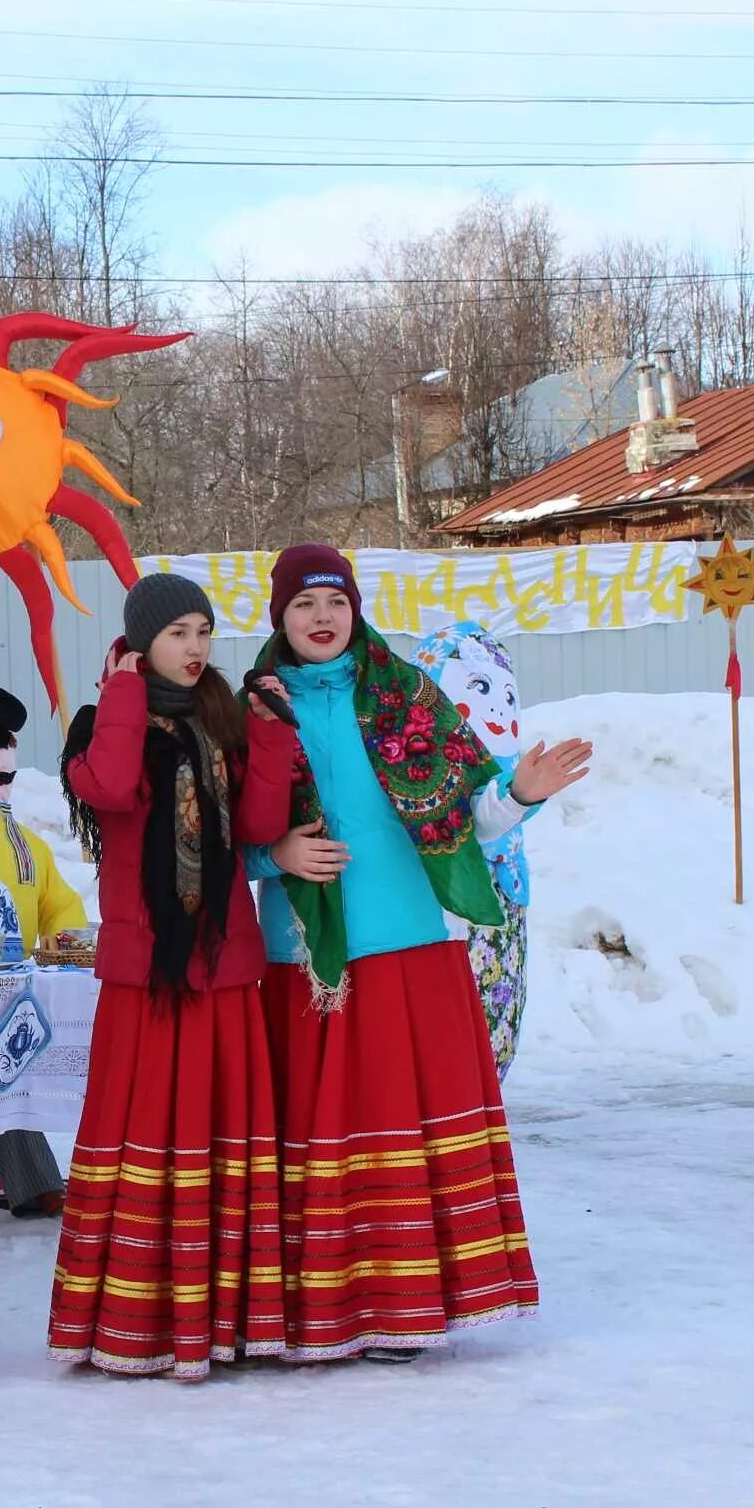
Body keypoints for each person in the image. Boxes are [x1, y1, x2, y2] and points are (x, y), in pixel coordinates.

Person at [246, 544, 591, 1364]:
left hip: (407, 949)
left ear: (354, 610)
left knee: (400, 1136)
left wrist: (521, 794)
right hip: (302, 959)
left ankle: (404, 1309)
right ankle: (315, 1306)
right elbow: (212, 835)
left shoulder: (407, 698)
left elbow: (465, 822)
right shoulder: (253, 710)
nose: (321, 618)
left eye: (334, 602)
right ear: (279, 619)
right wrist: (277, 858)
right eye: (303, 605)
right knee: (317, 1139)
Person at [48, 574, 299, 1379]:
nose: (195, 648)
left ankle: (227, 1319)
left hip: (222, 964)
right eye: (178, 634)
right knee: (144, 1136)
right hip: (147, 968)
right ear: (140, 641)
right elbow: (111, 789)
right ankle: (139, 1321)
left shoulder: (226, 717)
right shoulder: (101, 724)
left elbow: (260, 827)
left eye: (203, 631)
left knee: (223, 1139)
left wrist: (266, 738)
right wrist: (123, 696)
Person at [0, 681, 90, 1219]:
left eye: (0, 746)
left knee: (7, 1066)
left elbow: (60, 904)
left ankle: (4, 1170)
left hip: (17, 979)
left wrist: (66, 938)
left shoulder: (29, 844)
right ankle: (19, 1176)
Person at [405, 623, 541, 1079]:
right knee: (445, 1030)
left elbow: (509, 808)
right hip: (446, 904)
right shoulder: (413, 765)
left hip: (505, 902)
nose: (498, 711)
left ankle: (482, 1111)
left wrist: (524, 793)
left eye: (506, 696)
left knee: (495, 1022)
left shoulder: (509, 765)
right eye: (479, 690)